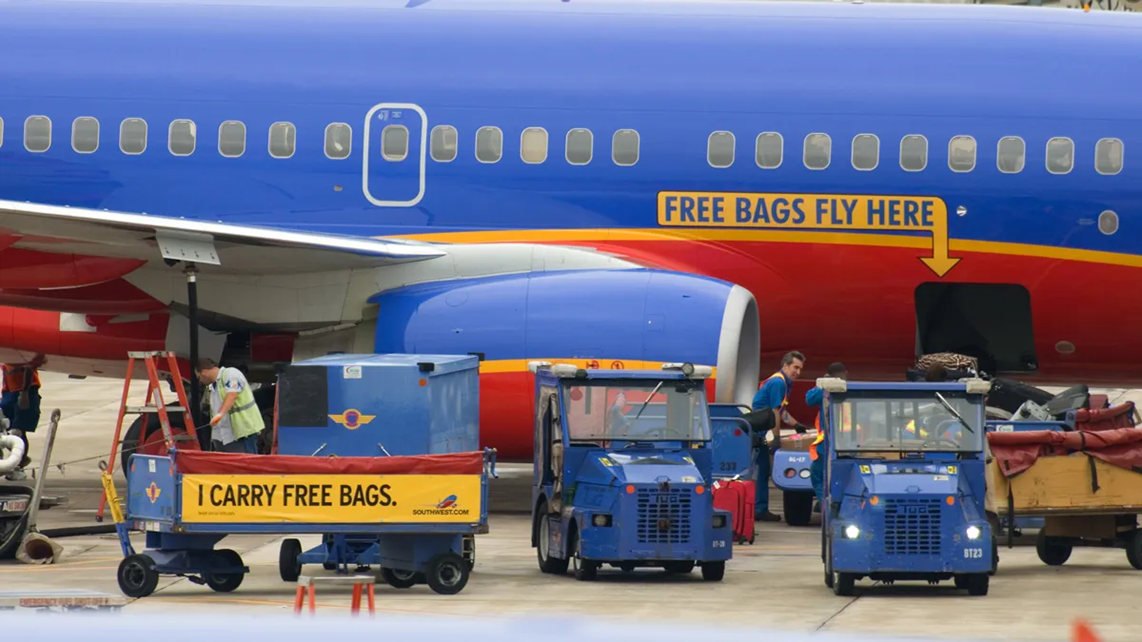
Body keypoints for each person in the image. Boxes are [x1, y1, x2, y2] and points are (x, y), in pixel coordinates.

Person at [749, 350, 807, 523]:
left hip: (759, 429)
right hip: (759, 430)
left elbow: (781, 411)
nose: (798, 372)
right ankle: (759, 509)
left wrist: (796, 425)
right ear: (785, 366)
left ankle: (759, 508)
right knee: (762, 471)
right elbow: (774, 412)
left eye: (800, 368)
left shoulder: (781, 382)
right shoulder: (778, 383)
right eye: (795, 367)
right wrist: (776, 438)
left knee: (762, 470)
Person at [195, 358, 265, 454]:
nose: (200, 381)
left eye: (199, 377)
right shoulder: (215, 386)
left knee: (245, 462)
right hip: (223, 438)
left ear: (204, 372)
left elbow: (232, 395)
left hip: (242, 434)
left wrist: (219, 415)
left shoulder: (231, 374)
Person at [805, 362, 848, 511]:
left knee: (817, 475)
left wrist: (822, 384)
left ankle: (825, 506)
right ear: (845, 373)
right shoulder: (851, 389)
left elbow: (809, 399)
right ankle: (830, 504)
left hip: (828, 443)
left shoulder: (826, 389)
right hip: (850, 444)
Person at [0, 354, 45, 471]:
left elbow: (28, 368)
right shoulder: (5, 352)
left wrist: (24, 393)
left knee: (18, 431)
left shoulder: (19, 353)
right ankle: (19, 458)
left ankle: (20, 462)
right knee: (2, 427)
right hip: (9, 392)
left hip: (26, 390)